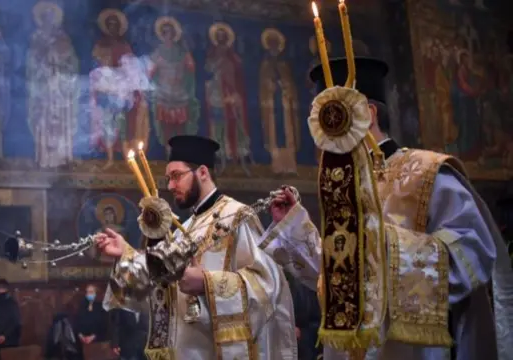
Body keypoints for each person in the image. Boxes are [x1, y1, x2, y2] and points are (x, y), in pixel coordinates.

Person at [260, 57, 513, 360]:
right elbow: (340, 277)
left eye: (335, 120)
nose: (325, 140)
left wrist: (386, 244)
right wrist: (295, 227)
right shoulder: (344, 189)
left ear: (368, 114)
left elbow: (475, 252)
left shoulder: (426, 172)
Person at [96, 135, 297, 359]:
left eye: (176, 176)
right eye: (168, 178)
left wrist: (206, 283)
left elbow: (266, 285)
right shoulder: (187, 227)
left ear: (202, 172)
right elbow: (160, 288)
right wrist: (126, 254)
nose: (170, 186)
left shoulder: (236, 215)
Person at [74, 284, 108, 349]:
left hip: (97, 344)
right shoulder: (82, 306)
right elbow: (76, 323)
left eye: (91, 292)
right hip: (81, 343)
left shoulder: (102, 308)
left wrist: (92, 337)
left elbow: (104, 326)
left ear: (96, 293)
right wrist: (80, 335)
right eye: (87, 292)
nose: (88, 294)